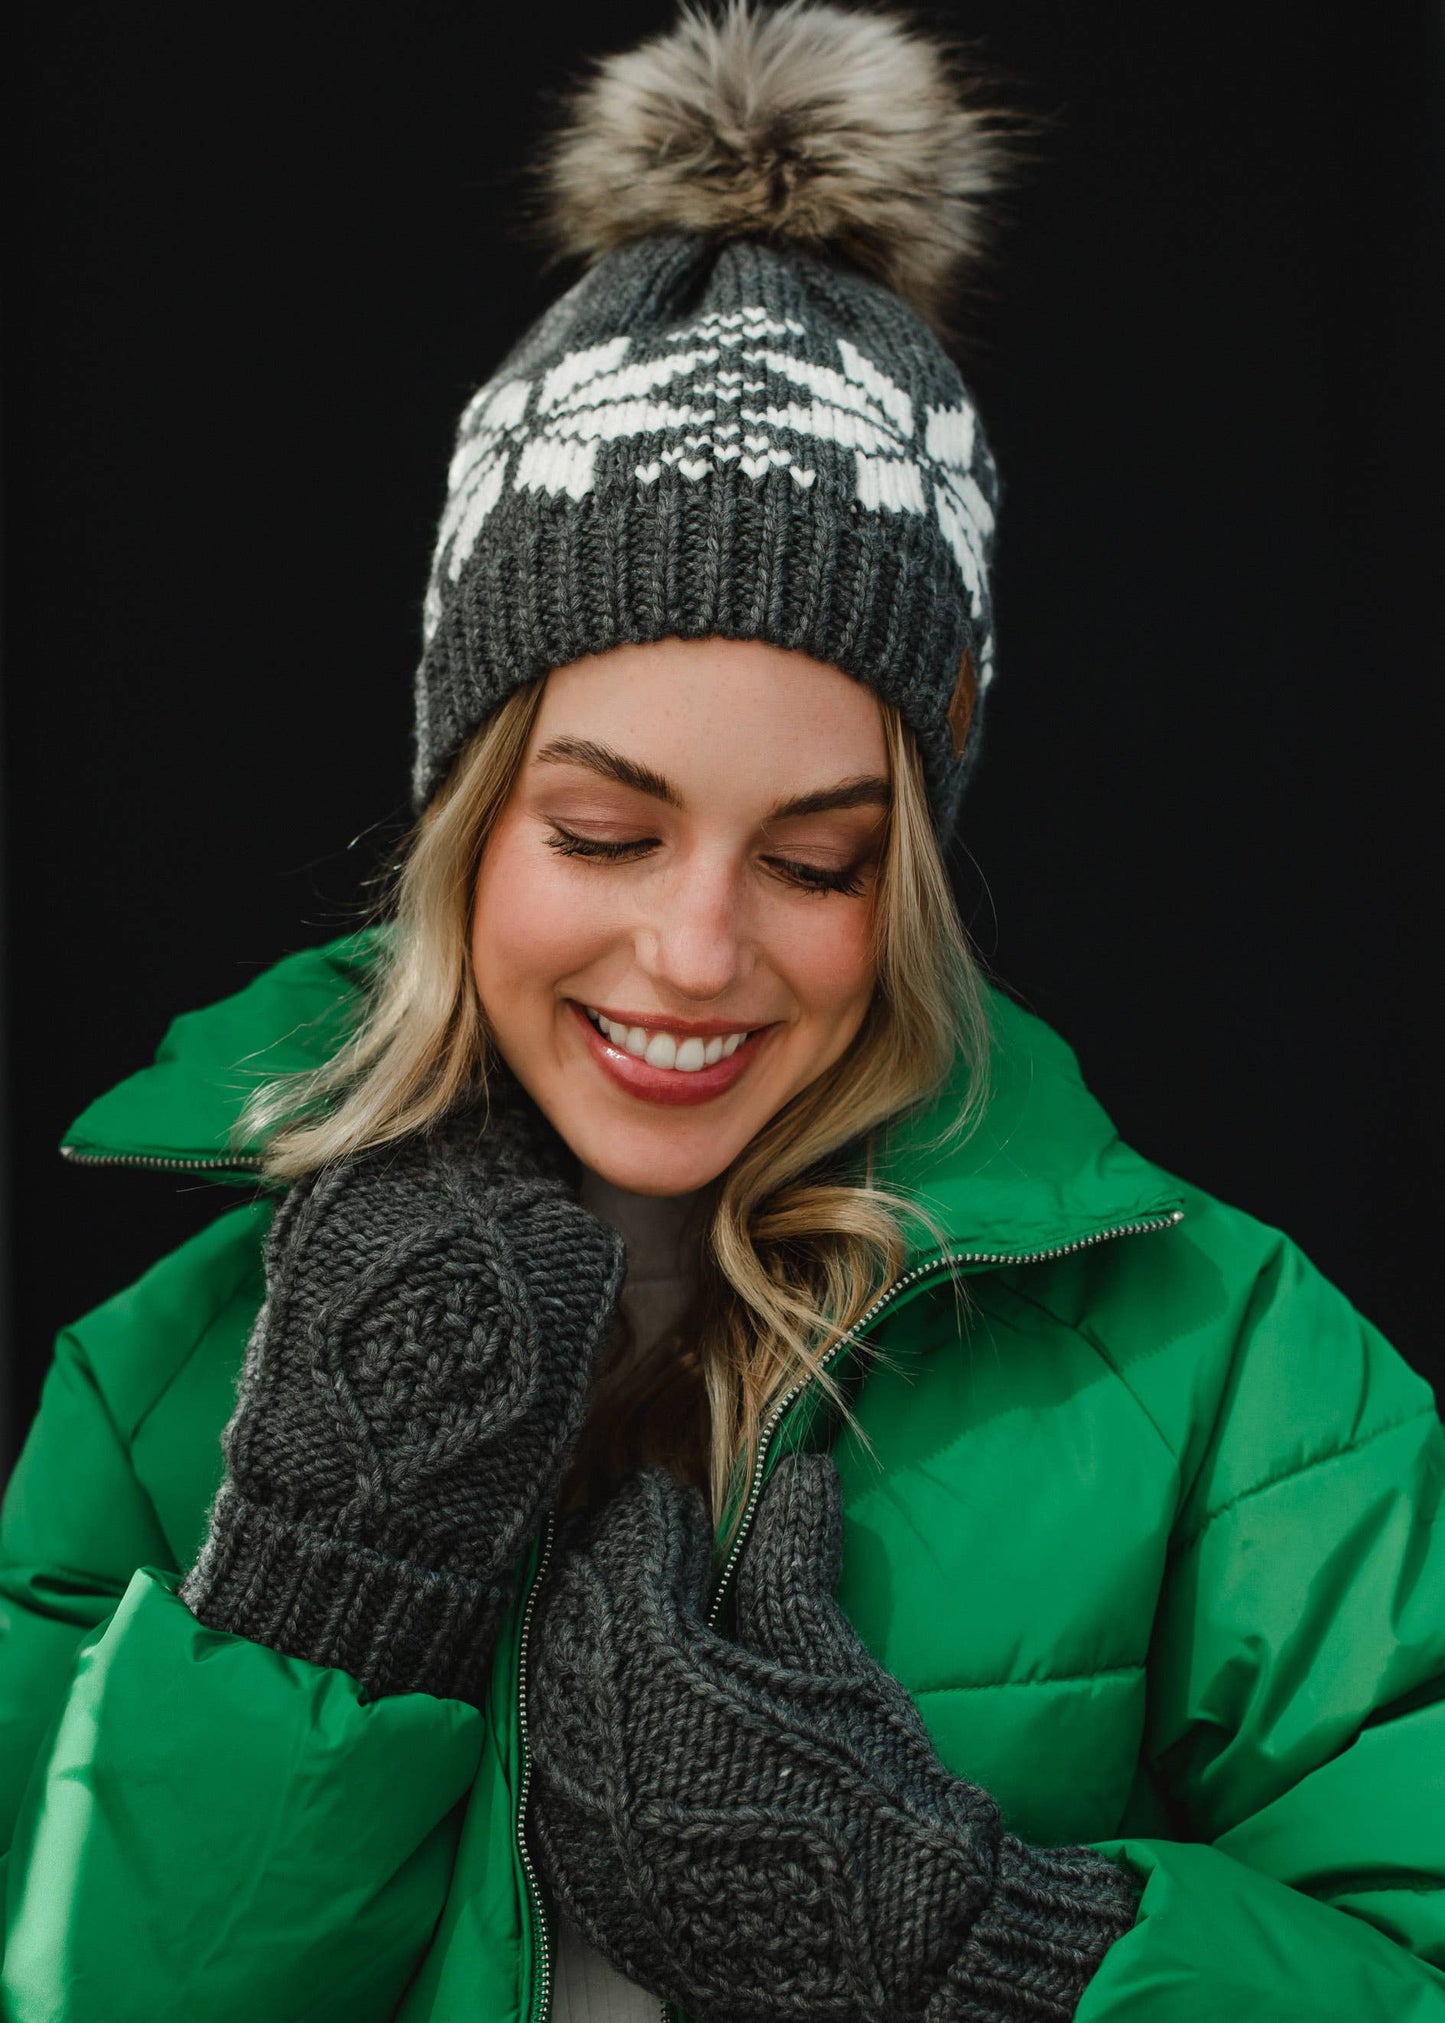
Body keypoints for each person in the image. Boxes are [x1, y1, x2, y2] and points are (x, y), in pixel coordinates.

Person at [2, 3, 1442, 2018]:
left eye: (820, 858)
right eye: (603, 831)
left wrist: (978, 1948)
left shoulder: (1237, 1384)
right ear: (465, 822)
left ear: (915, 869)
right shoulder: (166, 1399)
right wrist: (315, 1608)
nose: (695, 952)